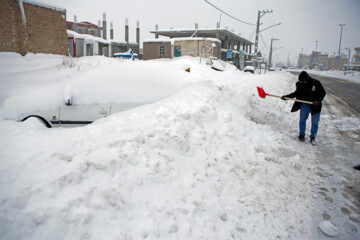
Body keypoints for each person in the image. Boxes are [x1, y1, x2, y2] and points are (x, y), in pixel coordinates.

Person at [282, 71, 326, 145]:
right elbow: (296, 93)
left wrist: (318, 100)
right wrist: (287, 97)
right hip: (305, 105)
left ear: (307, 79)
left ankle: (313, 137)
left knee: (315, 122)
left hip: (315, 106)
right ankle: (301, 135)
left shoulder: (316, 83)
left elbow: (323, 92)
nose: (301, 82)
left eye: (303, 81)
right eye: (300, 81)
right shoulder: (299, 84)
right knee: (302, 120)